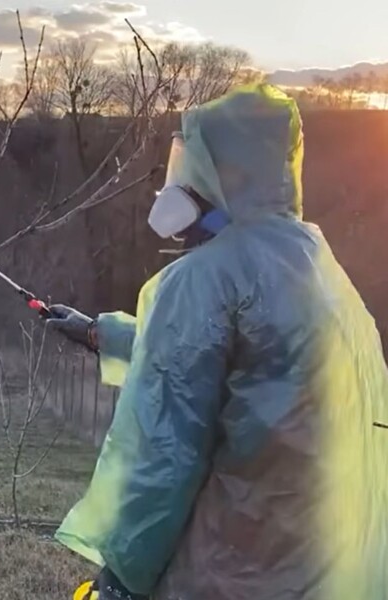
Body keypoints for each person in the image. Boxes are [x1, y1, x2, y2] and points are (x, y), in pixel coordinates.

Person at [49, 84, 388, 600]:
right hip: (324, 569)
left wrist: (122, 577)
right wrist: (104, 334)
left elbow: (165, 456)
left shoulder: (206, 277)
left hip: (236, 568)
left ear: (228, 174)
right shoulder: (313, 262)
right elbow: (249, 370)